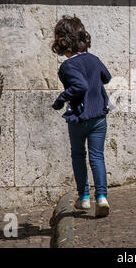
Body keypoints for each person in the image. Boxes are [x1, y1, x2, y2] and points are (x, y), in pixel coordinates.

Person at [51, 15, 111, 217]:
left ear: (63, 43)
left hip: (78, 117)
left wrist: (61, 99)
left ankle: (84, 198)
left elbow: (80, 86)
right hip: (99, 117)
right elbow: (107, 77)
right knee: (97, 156)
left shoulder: (67, 67)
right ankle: (102, 197)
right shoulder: (94, 59)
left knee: (78, 155)